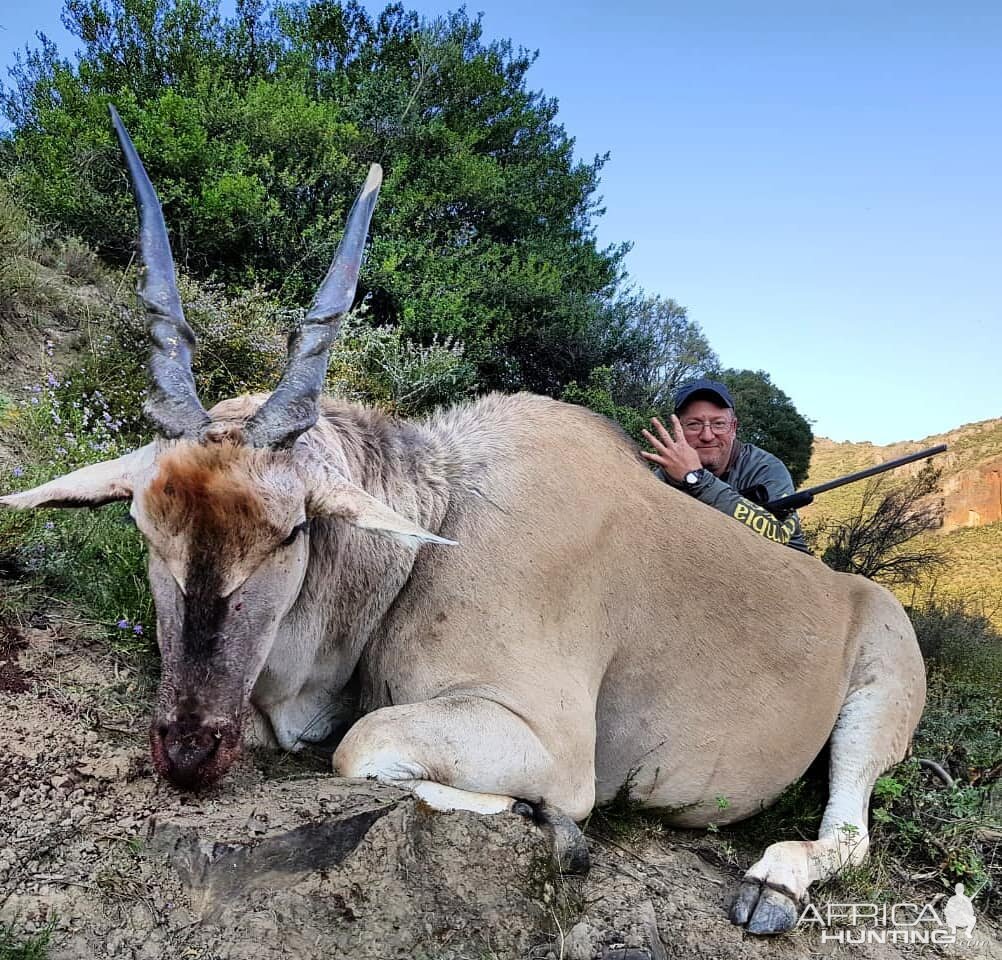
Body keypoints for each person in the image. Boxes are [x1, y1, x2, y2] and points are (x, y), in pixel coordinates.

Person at [641, 378, 810, 553]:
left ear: (734, 427)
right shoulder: (663, 477)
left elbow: (781, 536)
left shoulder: (766, 468)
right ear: (677, 429)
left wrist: (696, 479)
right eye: (694, 424)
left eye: (719, 424)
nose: (707, 435)